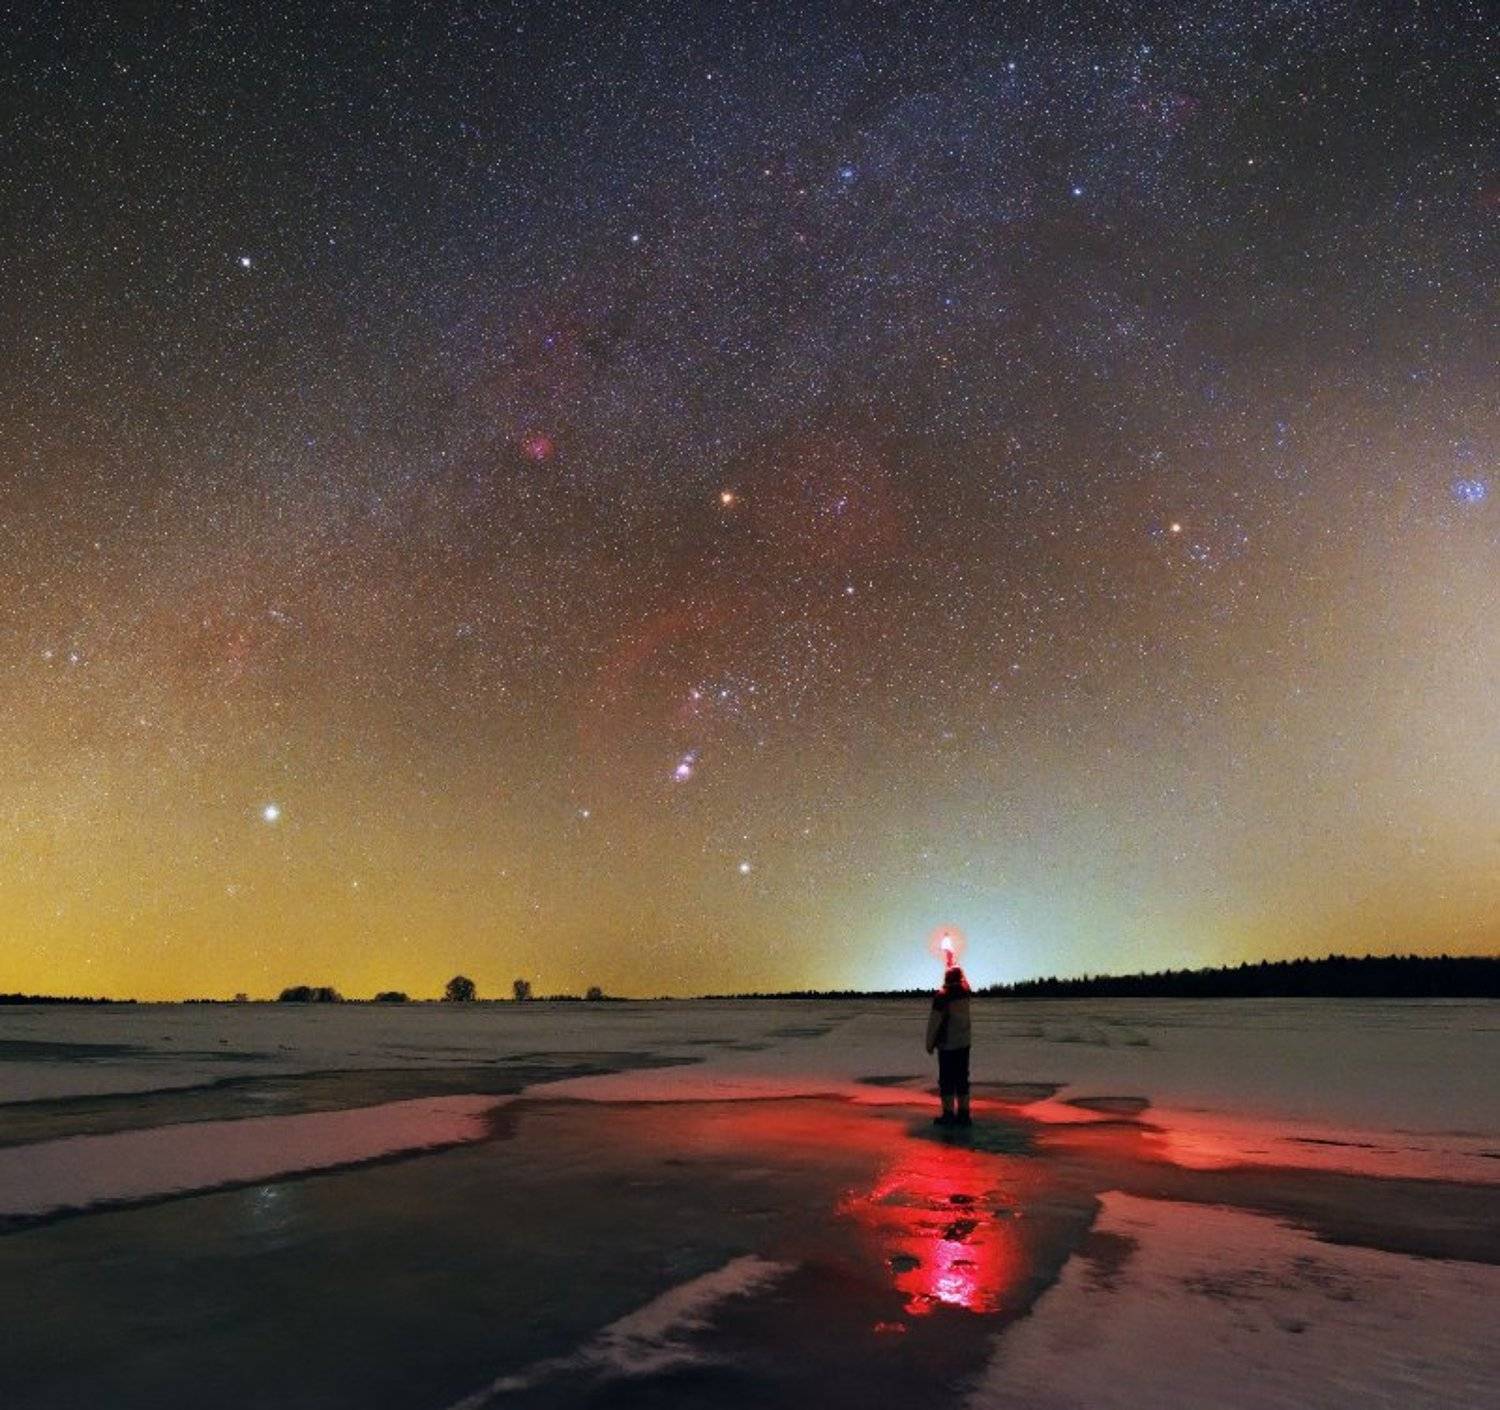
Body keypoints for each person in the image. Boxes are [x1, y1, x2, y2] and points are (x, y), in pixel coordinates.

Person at [925, 965, 973, 1126]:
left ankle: (948, 1114)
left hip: (947, 1045)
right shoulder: (965, 994)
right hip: (964, 1043)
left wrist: (929, 1044)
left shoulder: (942, 997)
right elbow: (966, 984)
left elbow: (934, 1023)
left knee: (947, 1081)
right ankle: (964, 1114)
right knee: (962, 1079)